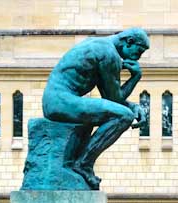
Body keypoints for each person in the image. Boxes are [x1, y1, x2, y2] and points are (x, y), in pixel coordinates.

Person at [42, 28, 150, 189]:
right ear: (129, 42)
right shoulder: (108, 53)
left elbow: (111, 97)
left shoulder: (99, 45)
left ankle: (80, 163)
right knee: (124, 117)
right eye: (139, 51)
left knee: (121, 113)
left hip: (57, 99)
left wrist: (133, 105)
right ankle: (83, 164)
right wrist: (135, 77)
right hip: (60, 101)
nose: (138, 57)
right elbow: (115, 99)